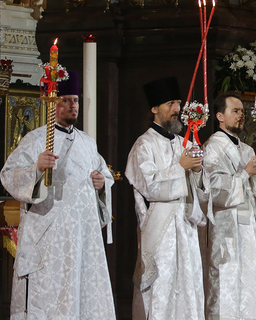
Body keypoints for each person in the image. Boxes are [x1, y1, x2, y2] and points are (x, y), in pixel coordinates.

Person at [0, 71, 116, 319]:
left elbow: (104, 174)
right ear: (52, 102)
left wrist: (100, 182)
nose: (72, 105)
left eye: (75, 100)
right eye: (66, 100)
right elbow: (8, 175)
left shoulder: (87, 142)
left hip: (83, 236)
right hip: (51, 236)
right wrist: (37, 169)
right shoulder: (35, 140)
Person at [125, 76, 207, 320]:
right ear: (154, 108)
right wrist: (180, 167)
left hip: (185, 227)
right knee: (162, 287)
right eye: (170, 103)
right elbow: (149, 188)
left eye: (178, 103)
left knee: (187, 286)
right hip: (160, 229)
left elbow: (203, 189)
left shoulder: (186, 143)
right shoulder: (144, 144)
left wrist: (197, 172)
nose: (177, 110)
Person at [202, 92, 256, 320]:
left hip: (247, 227)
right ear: (220, 116)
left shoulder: (248, 150)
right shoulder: (212, 146)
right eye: (236, 111)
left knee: (249, 284)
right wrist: (245, 174)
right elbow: (215, 190)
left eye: (242, 111)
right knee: (226, 284)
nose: (241, 115)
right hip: (226, 227)